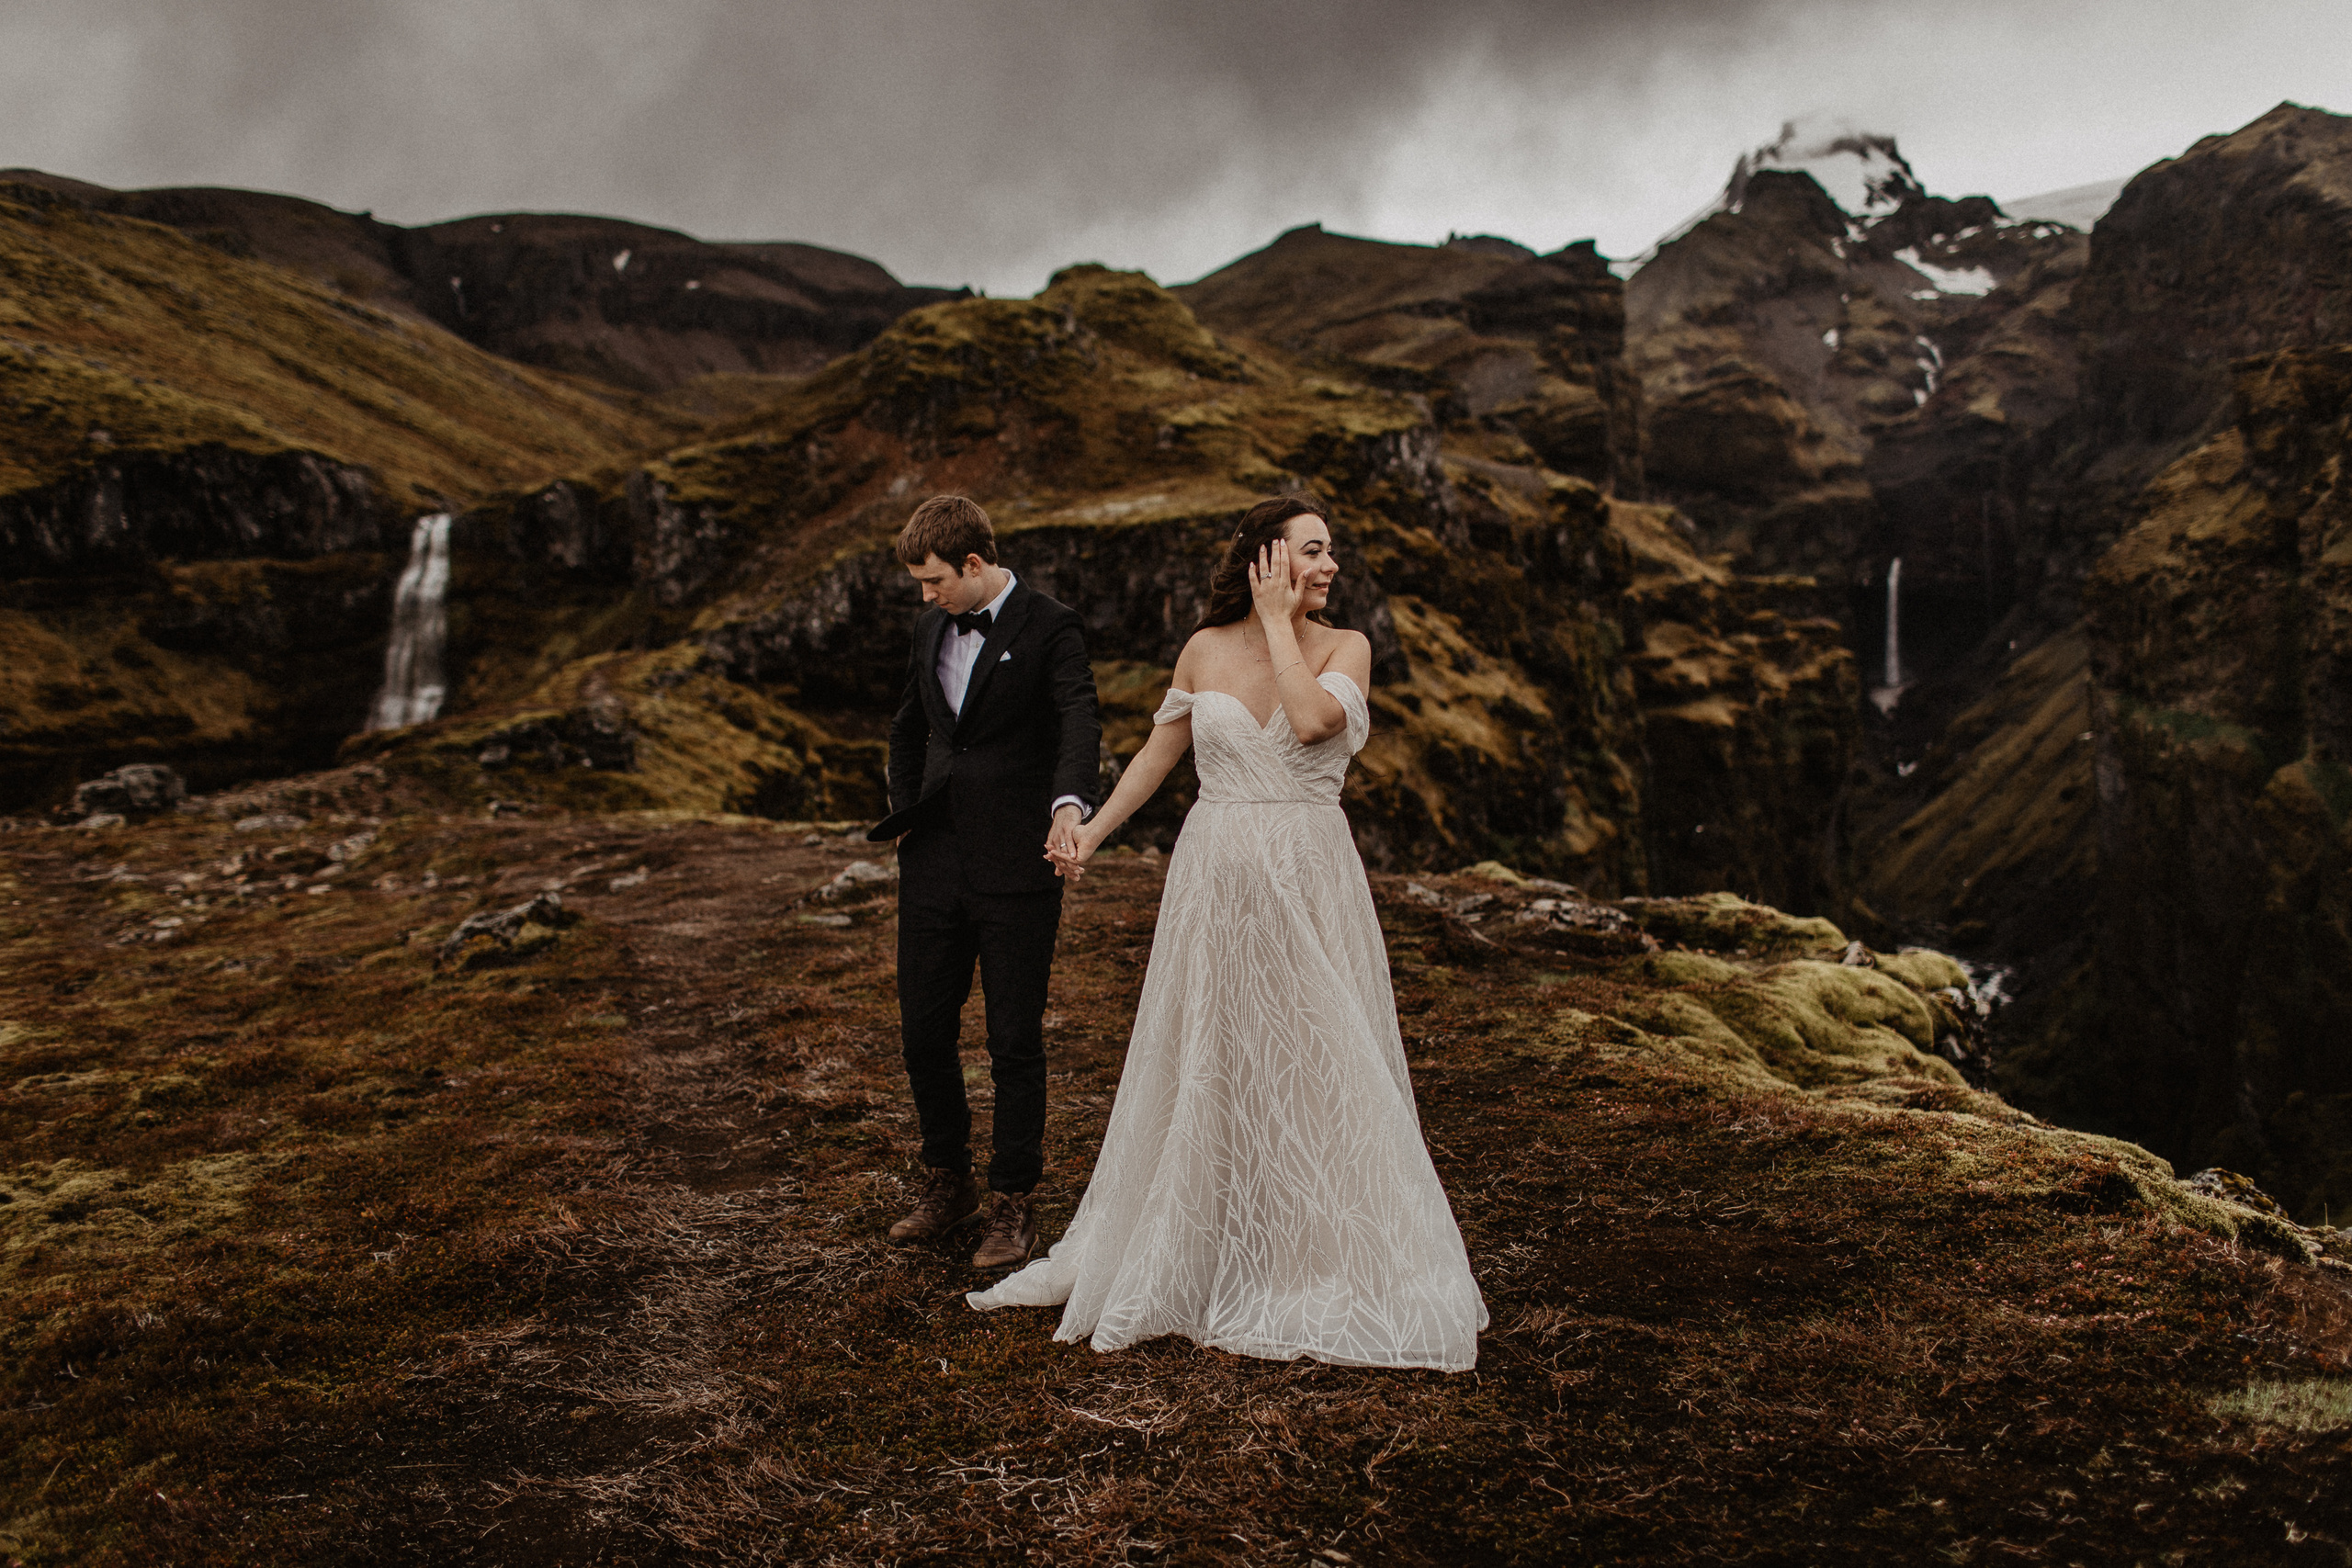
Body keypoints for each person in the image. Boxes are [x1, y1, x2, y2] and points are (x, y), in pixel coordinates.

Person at [967, 493, 1487, 1371]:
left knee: (1320, 1051)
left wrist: (1283, 624)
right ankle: (1207, 1231)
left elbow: (1316, 721)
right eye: (1312, 551)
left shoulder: (1343, 647)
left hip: (1309, 873)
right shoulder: (1204, 650)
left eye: (1331, 552)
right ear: (1264, 559)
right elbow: (1157, 755)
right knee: (1218, 1048)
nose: (1330, 567)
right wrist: (1089, 832)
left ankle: (1316, 1247)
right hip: (1214, 876)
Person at [867, 495, 1102, 1270]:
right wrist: (906, 810)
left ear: (973, 564)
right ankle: (948, 1182)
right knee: (923, 1032)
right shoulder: (931, 624)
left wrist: (1068, 805)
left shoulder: (1052, 625)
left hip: (1016, 866)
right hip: (932, 862)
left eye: (933, 581)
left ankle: (1011, 1201)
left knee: (1012, 1040)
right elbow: (910, 724)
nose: (924, 596)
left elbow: (1078, 719)